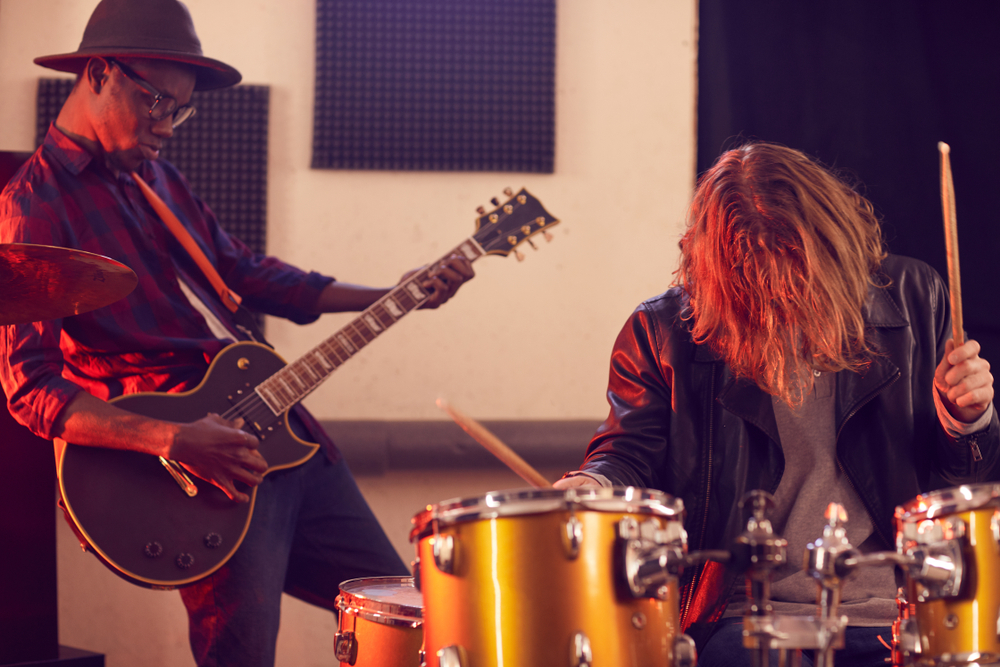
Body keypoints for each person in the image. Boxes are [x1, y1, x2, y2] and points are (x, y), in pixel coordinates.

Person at [0, 1, 474, 665]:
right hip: (199, 473)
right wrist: (175, 437)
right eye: (154, 102)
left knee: (416, 617)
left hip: (288, 440)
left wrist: (399, 293)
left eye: (180, 110)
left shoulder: (158, 178)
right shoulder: (34, 202)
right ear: (99, 73)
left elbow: (250, 273)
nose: (167, 125)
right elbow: (30, 387)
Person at [553, 142, 999, 666]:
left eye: (796, 271)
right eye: (758, 277)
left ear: (835, 241)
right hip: (741, 615)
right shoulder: (663, 330)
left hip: (901, 610)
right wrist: (592, 483)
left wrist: (969, 420)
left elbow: (964, 491)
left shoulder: (914, 293)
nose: (784, 296)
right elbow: (628, 453)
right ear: (718, 266)